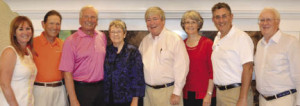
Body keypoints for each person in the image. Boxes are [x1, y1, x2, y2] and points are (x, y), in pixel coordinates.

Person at [139, 6, 189, 106]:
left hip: (168, 93)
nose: (152, 23)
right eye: (148, 20)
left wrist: (177, 92)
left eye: (155, 19)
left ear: (163, 21)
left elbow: (182, 67)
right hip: (148, 93)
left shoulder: (174, 39)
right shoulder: (144, 41)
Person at [59, 5, 107, 106]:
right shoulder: (71, 41)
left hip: (101, 89)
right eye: (86, 16)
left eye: (93, 17)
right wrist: (73, 99)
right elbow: (67, 73)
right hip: (81, 90)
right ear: (80, 20)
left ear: (97, 21)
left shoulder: (102, 36)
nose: (89, 20)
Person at [211, 2, 254, 106]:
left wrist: (243, 98)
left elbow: (248, 68)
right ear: (213, 20)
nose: (221, 20)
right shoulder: (217, 38)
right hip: (221, 93)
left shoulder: (241, 37)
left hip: (237, 93)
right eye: (217, 17)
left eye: (224, 16)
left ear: (231, 17)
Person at [255, 8, 300, 106]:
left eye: (269, 19)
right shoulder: (260, 44)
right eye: (262, 20)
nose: (264, 23)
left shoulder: (290, 42)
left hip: (283, 100)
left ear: (278, 22)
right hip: (262, 100)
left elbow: (298, 74)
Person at [104, 19, 145, 106]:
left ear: (124, 34)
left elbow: (138, 78)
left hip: (128, 99)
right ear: (109, 34)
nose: (116, 34)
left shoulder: (133, 52)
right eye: (113, 32)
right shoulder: (106, 51)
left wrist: (135, 100)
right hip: (109, 99)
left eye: (119, 31)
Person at [180, 10, 216, 106]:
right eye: (187, 22)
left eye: (193, 22)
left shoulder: (207, 44)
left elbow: (212, 72)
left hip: (205, 95)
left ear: (198, 25)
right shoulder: (181, 44)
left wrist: (209, 94)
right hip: (186, 95)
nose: (190, 25)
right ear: (183, 25)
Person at [33, 10, 68, 106]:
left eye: (58, 24)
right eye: (51, 23)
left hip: (60, 90)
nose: (55, 27)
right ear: (43, 24)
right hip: (39, 90)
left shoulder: (63, 44)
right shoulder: (31, 44)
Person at [0, 16, 37, 106]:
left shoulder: (28, 52)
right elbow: (4, 84)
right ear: (14, 33)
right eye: (20, 29)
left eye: (28, 28)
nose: (25, 32)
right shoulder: (10, 52)